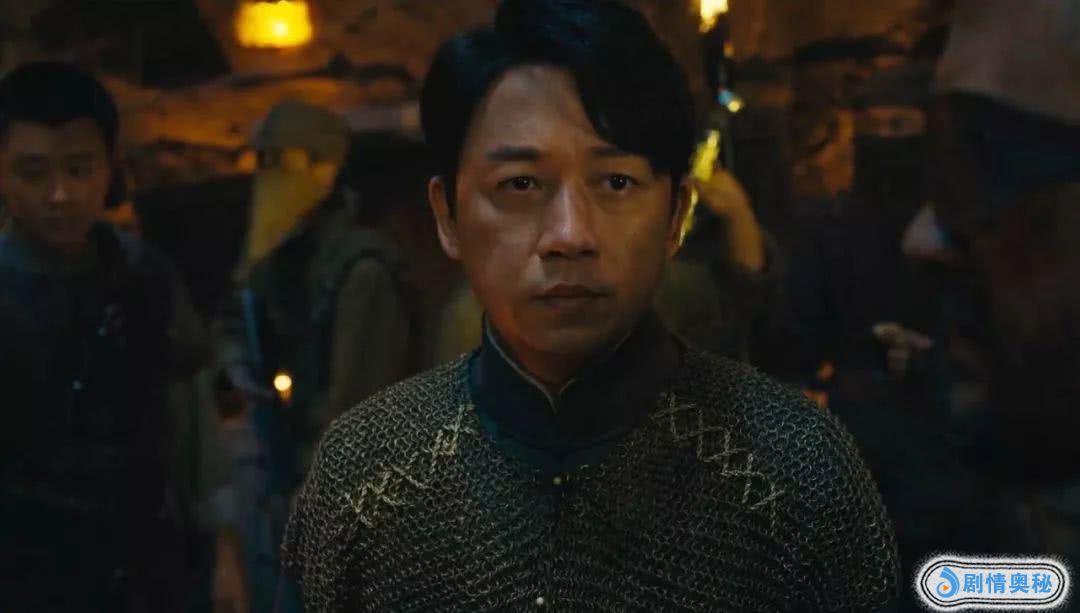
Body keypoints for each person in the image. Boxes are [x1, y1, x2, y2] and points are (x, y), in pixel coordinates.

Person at [283, 2, 899, 611]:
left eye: (615, 182)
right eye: (520, 184)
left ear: (675, 214)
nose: (570, 234)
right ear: (448, 216)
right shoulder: (363, 479)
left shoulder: (796, 473)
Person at [0, 62, 246, 613]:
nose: (60, 194)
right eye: (33, 172)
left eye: (79, 169)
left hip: (146, 565)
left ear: (109, 167)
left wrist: (223, 551)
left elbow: (191, 423)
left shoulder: (145, 278)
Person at [214, 100, 415, 612]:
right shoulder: (282, 261)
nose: (271, 178)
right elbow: (236, 326)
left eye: (286, 161)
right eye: (263, 161)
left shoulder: (360, 269)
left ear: (326, 167)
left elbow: (359, 406)